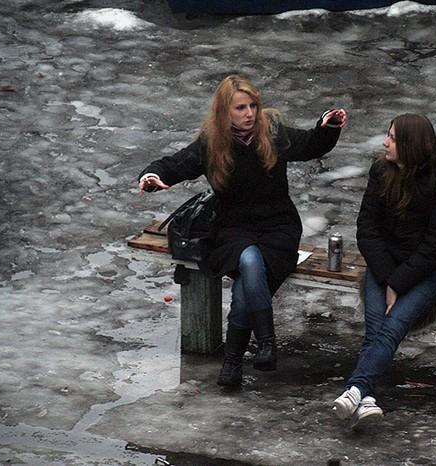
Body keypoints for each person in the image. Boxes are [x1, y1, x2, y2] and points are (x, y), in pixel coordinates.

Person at [138, 75, 347, 387]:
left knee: (248, 277)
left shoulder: (272, 132)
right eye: (240, 108)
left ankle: (233, 362)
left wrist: (327, 126)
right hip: (233, 228)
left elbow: (310, 145)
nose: (249, 113)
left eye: (252, 106)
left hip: (278, 226)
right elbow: (175, 164)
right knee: (249, 262)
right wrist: (152, 176)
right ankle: (265, 344)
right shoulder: (212, 143)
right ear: (225, 112)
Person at [332, 113, 436, 429]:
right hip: (382, 267)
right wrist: (390, 278)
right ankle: (366, 399)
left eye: (391, 137)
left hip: (428, 272)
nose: (385, 142)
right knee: (376, 331)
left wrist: (400, 282)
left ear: (410, 145)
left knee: (392, 327)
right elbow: (367, 228)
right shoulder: (380, 171)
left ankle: (357, 388)